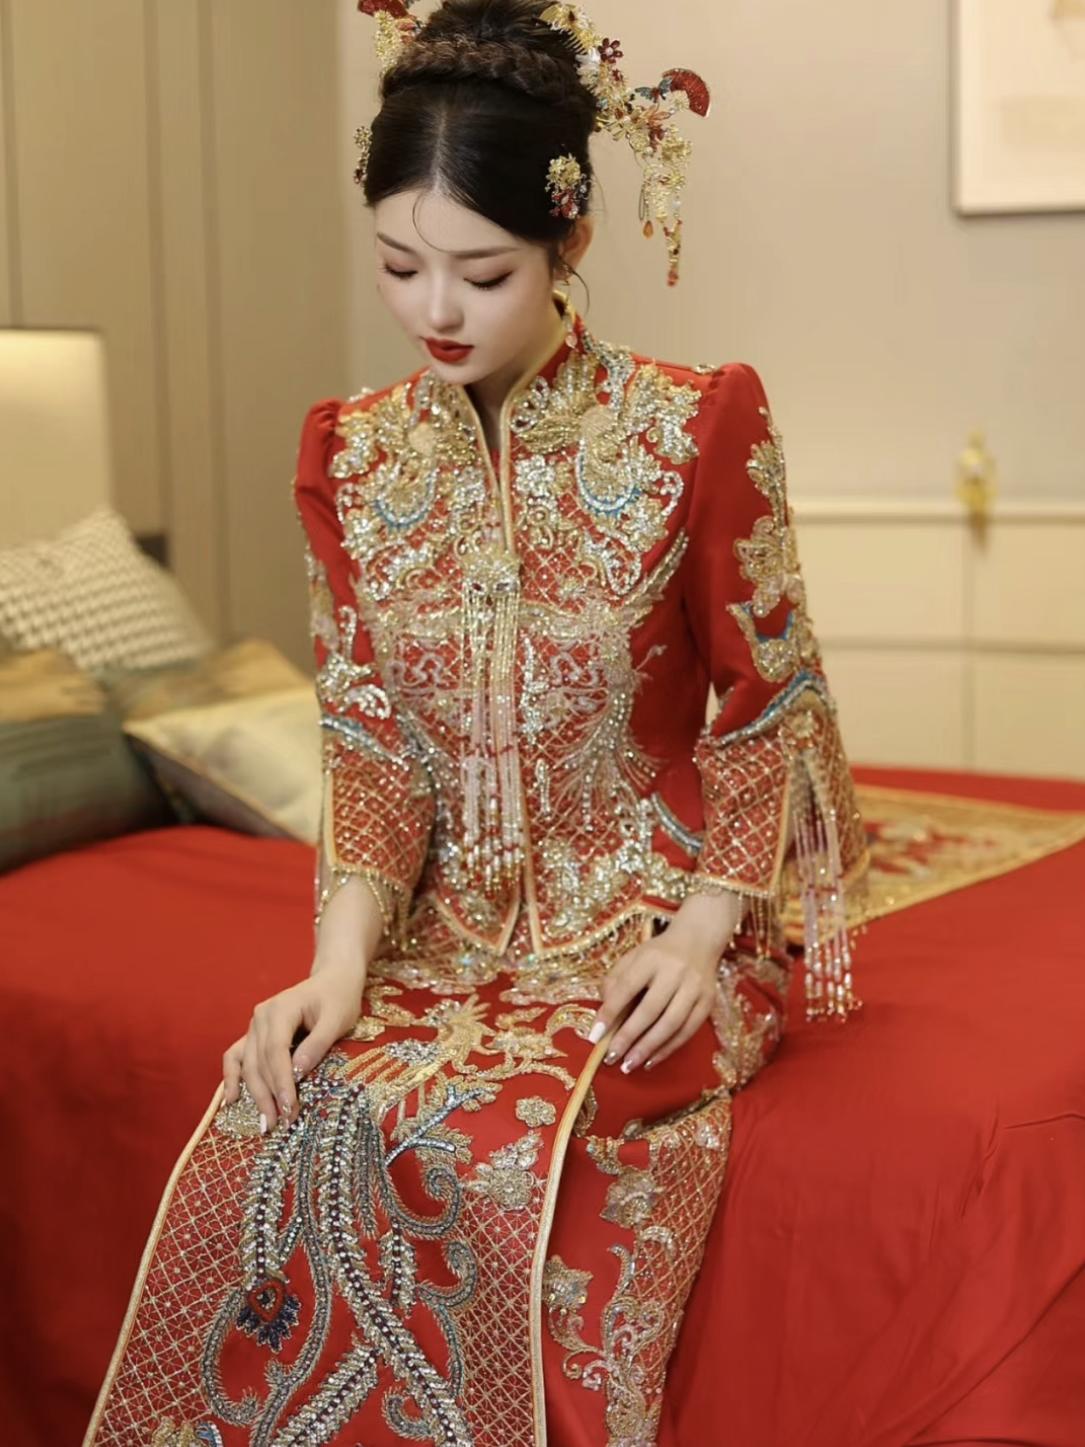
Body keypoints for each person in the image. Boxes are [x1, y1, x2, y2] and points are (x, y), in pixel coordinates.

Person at [84, 2, 867, 1443]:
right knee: (290, 1102)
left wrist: (704, 931)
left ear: (571, 243)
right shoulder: (352, 457)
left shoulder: (693, 425)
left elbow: (772, 699)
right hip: (439, 931)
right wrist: (335, 965)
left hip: (659, 928)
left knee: (516, 1131)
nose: (434, 310)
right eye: (399, 266)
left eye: (482, 272)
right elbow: (370, 739)